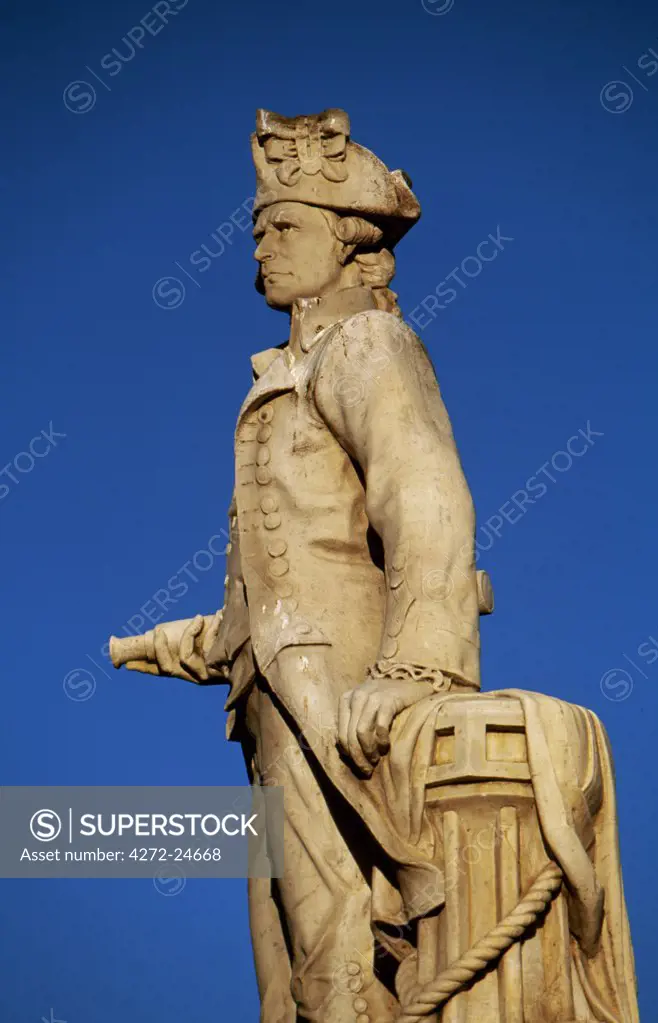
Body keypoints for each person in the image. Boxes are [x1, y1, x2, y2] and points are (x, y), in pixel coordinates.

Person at [113, 108, 490, 1023]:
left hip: (344, 704)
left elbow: (426, 500)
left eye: (284, 229)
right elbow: (271, 599)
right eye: (258, 232)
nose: (261, 251)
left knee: (345, 969)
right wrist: (160, 645)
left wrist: (413, 670)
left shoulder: (365, 344)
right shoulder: (277, 379)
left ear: (346, 238)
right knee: (288, 987)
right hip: (275, 714)